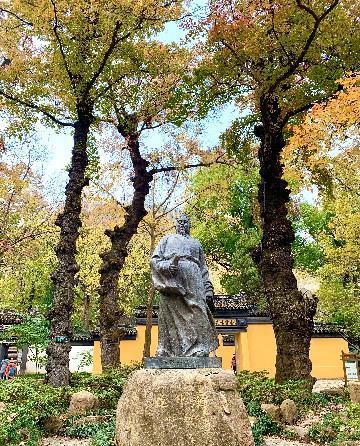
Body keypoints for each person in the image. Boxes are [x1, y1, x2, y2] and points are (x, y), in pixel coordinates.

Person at [151, 214, 219, 357]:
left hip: (194, 277)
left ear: (189, 225)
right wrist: (168, 266)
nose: (182, 224)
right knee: (167, 310)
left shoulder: (196, 244)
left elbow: (203, 268)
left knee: (198, 309)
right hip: (171, 278)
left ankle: (200, 347)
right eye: (180, 222)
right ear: (175, 224)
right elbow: (155, 260)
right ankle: (166, 349)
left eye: (185, 222)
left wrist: (208, 289)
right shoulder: (166, 240)